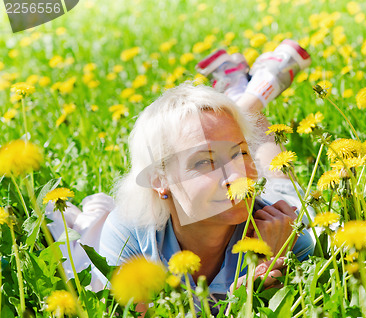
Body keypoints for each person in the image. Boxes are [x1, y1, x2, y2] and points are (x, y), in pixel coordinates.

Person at [47, 39, 315, 296]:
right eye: (204, 161)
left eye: (241, 153)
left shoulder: (286, 232)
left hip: (282, 199)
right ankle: (246, 87)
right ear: (158, 179)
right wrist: (245, 295)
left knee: (277, 169)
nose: (237, 175)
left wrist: (275, 261)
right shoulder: (130, 237)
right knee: (236, 133)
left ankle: (241, 90)